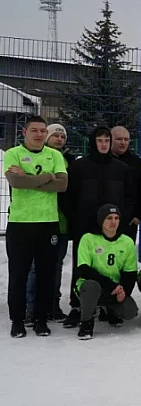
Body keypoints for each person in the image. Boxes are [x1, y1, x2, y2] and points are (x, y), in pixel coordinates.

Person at [61, 126, 135, 329]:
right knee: (82, 267)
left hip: (113, 229)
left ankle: (110, 306)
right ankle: (78, 307)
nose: (103, 144)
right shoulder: (79, 167)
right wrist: (76, 220)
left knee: (112, 267)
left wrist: (122, 218)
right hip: (85, 228)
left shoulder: (121, 169)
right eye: (99, 140)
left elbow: (130, 199)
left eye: (106, 141)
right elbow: (67, 198)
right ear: (93, 142)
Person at [4, 116, 68, 338]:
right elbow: (17, 182)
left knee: (46, 275)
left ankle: (42, 319)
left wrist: (31, 179)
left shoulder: (55, 155)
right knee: (18, 275)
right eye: (35, 130)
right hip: (20, 224)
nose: (39, 134)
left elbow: (62, 185)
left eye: (43, 131)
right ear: (25, 132)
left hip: (48, 224)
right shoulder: (13, 154)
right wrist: (47, 177)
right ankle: (18, 321)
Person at [25, 123, 76, 324]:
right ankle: (32, 307)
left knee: (55, 267)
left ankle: (52, 306)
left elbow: (66, 188)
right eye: (55, 135)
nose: (59, 139)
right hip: (35, 220)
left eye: (63, 136)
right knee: (34, 267)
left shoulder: (69, 161)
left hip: (60, 223)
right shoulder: (36, 156)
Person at [75, 204, 138, 340]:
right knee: (91, 286)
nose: (113, 222)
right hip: (92, 286)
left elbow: (130, 273)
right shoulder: (88, 239)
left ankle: (110, 312)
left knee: (130, 311)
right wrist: (110, 286)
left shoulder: (126, 241)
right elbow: (84, 270)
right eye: (109, 218)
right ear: (101, 220)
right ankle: (86, 322)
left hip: (115, 289)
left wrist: (123, 291)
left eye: (116, 218)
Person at [111, 126, 141, 242]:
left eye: (126, 140)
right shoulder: (102, 162)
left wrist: (138, 216)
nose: (123, 143)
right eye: (119, 139)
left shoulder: (137, 163)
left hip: (129, 221)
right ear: (110, 140)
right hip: (105, 219)